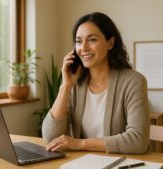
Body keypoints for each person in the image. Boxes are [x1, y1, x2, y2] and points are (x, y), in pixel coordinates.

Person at [42, 12, 149, 154]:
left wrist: (80, 144)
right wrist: (66, 86)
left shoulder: (133, 82)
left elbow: (138, 140)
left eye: (91, 40)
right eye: (79, 41)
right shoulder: (76, 84)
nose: (83, 48)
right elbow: (51, 138)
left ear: (110, 43)